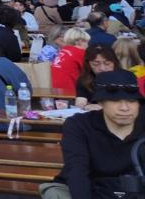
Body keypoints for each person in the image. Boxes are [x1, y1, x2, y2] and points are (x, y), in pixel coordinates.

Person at [43, 70, 145, 198]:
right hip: (86, 186)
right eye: (115, 100)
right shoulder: (79, 125)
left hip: (136, 187)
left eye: (131, 101)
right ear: (100, 102)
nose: (124, 108)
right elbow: (77, 169)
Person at [75, 44, 121, 110]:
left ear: (114, 63)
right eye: (95, 64)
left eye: (107, 63)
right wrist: (84, 105)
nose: (102, 68)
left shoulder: (124, 78)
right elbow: (80, 103)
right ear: (88, 64)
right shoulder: (84, 80)